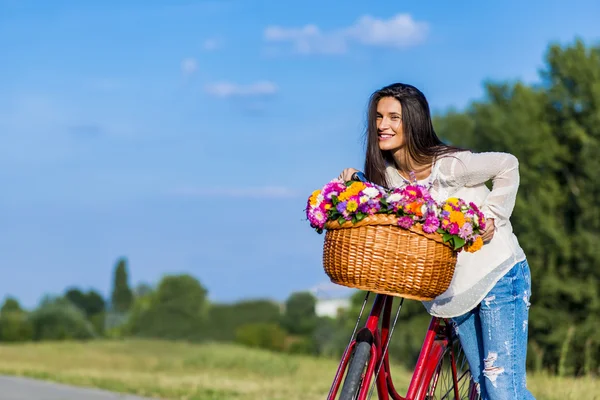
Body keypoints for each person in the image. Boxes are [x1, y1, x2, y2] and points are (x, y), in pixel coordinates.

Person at [337, 83, 535, 400]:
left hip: (498, 276)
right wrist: (354, 186)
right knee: (486, 389)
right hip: (453, 292)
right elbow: (386, 206)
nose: (382, 125)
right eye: (378, 117)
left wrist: (492, 217)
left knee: (502, 390)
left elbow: (507, 164)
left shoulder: (447, 166)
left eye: (393, 117)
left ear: (413, 121)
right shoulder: (390, 177)